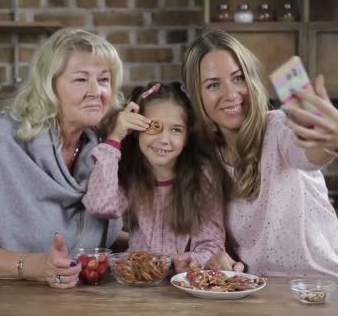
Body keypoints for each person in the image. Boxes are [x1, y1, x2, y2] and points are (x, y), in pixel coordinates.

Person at [0, 28, 126, 288]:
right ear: (49, 86)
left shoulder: (102, 150)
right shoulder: (1, 141)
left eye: (104, 80)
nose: (96, 91)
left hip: (66, 305)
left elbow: (90, 238)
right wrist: (33, 266)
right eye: (80, 80)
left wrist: (166, 248)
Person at [181, 29, 338, 277]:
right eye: (213, 85)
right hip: (267, 296)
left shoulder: (278, 127)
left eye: (238, 78)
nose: (231, 95)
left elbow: (309, 153)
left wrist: (335, 140)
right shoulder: (207, 159)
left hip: (331, 285)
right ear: (196, 96)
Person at [82, 82, 231, 270]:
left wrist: (190, 260)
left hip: (184, 285)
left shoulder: (202, 177)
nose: (164, 140)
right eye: (154, 127)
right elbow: (100, 206)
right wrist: (114, 138)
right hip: (137, 284)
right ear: (135, 130)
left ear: (187, 136)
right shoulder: (129, 172)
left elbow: (212, 245)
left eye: (176, 129)